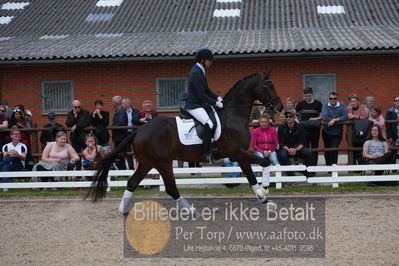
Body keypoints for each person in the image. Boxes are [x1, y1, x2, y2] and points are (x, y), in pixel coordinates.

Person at [185, 48, 223, 163]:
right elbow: (201, 95)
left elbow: (206, 89)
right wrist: (215, 103)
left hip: (199, 104)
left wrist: (217, 97)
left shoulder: (200, 70)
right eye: (209, 60)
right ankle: (205, 154)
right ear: (202, 60)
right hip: (194, 105)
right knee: (209, 124)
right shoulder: (196, 72)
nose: (211, 62)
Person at [277, 109, 315, 177]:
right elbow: (281, 143)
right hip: (286, 148)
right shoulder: (281, 127)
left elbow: (303, 142)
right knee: (282, 155)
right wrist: (288, 149)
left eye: (290, 116)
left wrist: (295, 149)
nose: (288, 118)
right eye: (287, 116)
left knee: (309, 153)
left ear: (294, 117)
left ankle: (311, 174)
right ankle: (291, 174)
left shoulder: (300, 127)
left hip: (298, 148)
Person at [295, 87, 323, 165]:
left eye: (309, 96)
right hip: (304, 130)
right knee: (305, 148)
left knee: (314, 148)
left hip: (315, 129)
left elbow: (321, 116)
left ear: (312, 94)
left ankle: (314, 166)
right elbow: (294, 114)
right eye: (306, 96)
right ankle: (306, 166)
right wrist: (298, 122)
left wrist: (315, 118)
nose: (308, 98)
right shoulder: (301, 104)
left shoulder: (318, 103)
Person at [322, 92, 348, 165]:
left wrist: (334, 120)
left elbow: (345, 116)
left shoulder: (342, 105)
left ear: (337, 99)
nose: (332, 100)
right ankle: (328, 168)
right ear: (329, 99)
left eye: (334, 98)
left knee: (334, 149)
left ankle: (334, 167)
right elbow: (324, 117)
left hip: (337, 132)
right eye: (331, 98)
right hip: (326, 131)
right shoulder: (325, 105)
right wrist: (339, 118)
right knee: (327, 150)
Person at [111, 95, 128, 170]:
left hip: (120, 137)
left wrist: (112, 126)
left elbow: (121, 123)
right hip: (119, 137)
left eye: (113, 102)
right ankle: (122, 171)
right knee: (118, 155)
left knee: (119, 155)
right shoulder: (119, 110)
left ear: (115, 102)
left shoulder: (120, 111)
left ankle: (123, 172)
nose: (112, 103)